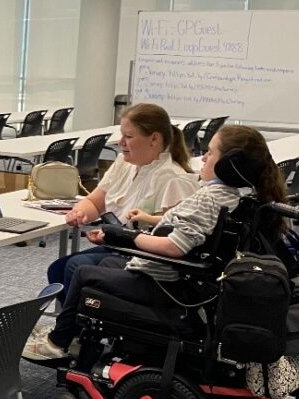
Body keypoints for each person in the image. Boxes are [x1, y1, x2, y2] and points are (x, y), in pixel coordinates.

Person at [23, 124, 285, 361]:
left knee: (81, 272)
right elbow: (188, 232)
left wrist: (129, 236)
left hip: (164, 282)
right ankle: (79, 340)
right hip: (182, 279)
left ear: (229, 163)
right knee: (106, 260)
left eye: (211, 152)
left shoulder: (209, 198)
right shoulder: (238, 197)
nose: (203, 157)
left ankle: (58, 343)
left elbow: (175, 247)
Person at [48, 103, 196, 294]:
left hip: (145, 257)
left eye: (128, 136)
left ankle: (75, 321)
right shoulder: (124, 164)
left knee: (75, 266)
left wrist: (118, 237)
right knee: (57, 270)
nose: (121, 143)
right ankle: (77, 319)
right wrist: (80, 212)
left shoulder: (174, 179)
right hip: (120, 246)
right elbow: (95, 202)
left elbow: (171, 240)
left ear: (154, 139)